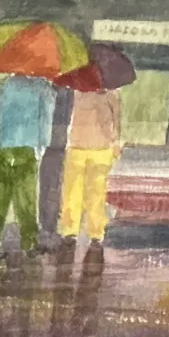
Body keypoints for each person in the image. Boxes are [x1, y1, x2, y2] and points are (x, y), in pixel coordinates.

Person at [0, 74, 56, 262]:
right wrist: (42, 146)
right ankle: (29, 244)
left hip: (7, 146)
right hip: (28, 147)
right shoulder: (43, 87)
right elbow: (46, 119)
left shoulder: (7, 85)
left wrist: (1, 142)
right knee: (26, 200)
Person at [58, 87, 122, 254]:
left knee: (94, 194)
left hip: (98, 148)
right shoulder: (77, 91)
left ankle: (94, 233)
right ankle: (73, 231)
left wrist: (115, 141)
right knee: (74, 192)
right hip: (79, 146)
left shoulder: (109, 93)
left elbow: (117, 120)